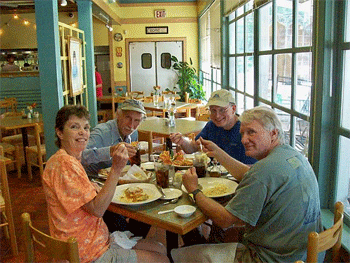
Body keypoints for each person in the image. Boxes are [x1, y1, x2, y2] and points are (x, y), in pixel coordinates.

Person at [171, 106, 324, 262]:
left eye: (251, 132)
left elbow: (225, 220)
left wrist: (194, 190)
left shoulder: (263, 171)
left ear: (273, 133)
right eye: (242, 133)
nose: (244, 139)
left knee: (178, 256)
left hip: (269, 258)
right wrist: (218, 152)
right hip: (306, 253)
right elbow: (249, 174)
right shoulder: (291, 154)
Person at [42, 105, 169, 263]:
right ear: (59, 132)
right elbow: (97, 209)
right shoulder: (65, 165)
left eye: (86, 127)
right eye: (74, 127)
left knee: (160, 248)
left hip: (93, 239)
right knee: (162, 259)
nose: (83, 132)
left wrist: (92, 187)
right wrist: (116, 168)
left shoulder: (62, 160)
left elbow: (81, 197)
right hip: (86, 252)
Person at [81, 99, 150, 237]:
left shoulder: (133, 133)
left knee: (146, 209)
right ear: (118, 114)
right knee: (119, 224)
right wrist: (111, 151)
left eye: (137, 120)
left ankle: (133, 239)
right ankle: (125, 241)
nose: (131, 125)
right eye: (128, 118)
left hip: (117, 183)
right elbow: (82, 155)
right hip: (95, 187)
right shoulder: (102, 132)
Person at [170, 89, 256, 165]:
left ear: (233, 109)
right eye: (213, 111)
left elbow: (251, 169)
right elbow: (193, 148)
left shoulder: (245, 130)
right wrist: (182, 141)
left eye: (222, 110)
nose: (217, 116)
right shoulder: (212, 125)